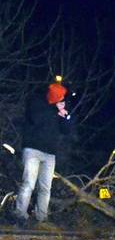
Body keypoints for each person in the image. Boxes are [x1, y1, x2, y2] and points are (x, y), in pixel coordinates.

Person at [13, 79, 74, 225]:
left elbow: (66, 130)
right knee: (29, 183)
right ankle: (20, 214)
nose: (61, 100)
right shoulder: (37, 102)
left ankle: (42, 217)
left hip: (50, 153)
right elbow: (36, 119)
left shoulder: (58, 109)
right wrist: (55, 111)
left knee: (46, 187)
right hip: (33, 149)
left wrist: (64, 116)